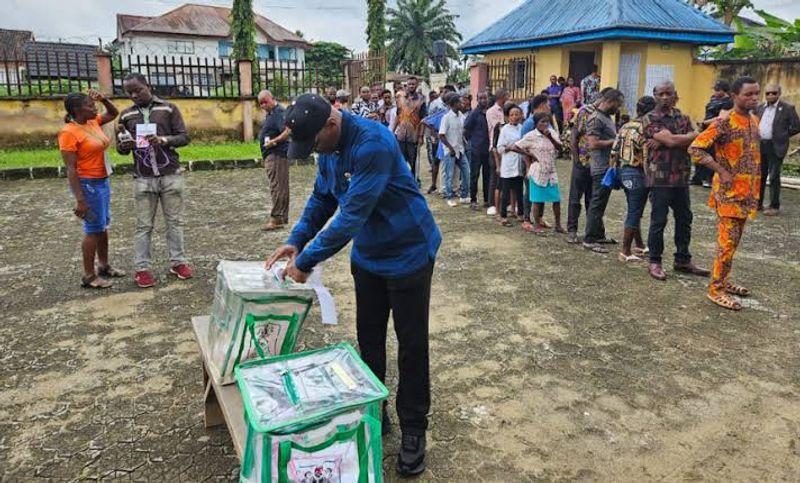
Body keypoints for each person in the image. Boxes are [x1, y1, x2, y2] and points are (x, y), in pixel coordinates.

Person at [265, 93, 441, 476]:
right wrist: (296, 240)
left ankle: (414, 427)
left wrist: (306, 262)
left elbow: (350, 218)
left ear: (332, 123)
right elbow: (322, 198)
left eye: (313, 144)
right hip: (370, 259)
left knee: (412, 344)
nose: (313, 152)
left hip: (409, 251)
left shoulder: (373, 143)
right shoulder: (327, 146)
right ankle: (372, 408)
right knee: (369, 339)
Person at [689, 77, 762, 311]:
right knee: (726, 243)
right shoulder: (724, 122)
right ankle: (715, 288)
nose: (753, 98)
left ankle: (724, 280)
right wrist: (721, 170)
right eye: (748, 94)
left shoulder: (753, 120)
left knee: (734, 242)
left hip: (748, 194)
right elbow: (696, 149)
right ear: (734, 95)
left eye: (755, 94)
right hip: (729, 194)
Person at [117, 73, 193, 288]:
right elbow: (120, 148)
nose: (134, 95)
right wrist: (124, 146)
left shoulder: (168, 108)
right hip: (143, 176)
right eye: (129, 93)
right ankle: (142, 268)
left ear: (147, 86)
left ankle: (178, 262)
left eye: (137, 90)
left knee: (174, 222)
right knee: (143, 225)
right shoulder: (125, 116)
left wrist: (163, 140)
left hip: (170, 173)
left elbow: (184, 137)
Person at [641, 81, 709, 281]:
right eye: (660, 94)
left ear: (675, 95)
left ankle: (682, 259)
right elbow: (673, 140)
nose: (664, 97)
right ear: (654, 95)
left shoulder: (683, 117)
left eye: (668, 93)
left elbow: (698, 140)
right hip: (660, 178)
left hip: (681, 176)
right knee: (658, 221)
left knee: (685, 219)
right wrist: (684, 137)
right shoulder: (649, 118)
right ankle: (654, 261)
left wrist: (671, 139)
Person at [58, 90, 123, 289]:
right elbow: (71, 169)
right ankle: (88, 275)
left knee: (102, 226)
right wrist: (80, 199)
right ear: (77, 110)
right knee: (93, 230)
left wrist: (103, 99)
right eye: (89, 104)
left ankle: (104, 265)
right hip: (88, 185)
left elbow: (113, 113)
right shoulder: (69, 133)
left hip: (102, 180)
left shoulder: (92, 121)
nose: (94, 107)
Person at [611, 96, 655, 262]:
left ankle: (639, 245)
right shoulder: (647, 127)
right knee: (635, 211)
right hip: (638, 172)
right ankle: (625, 251)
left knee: (633, 208)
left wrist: (614, 168)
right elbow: (646, 155)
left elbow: (614, 150)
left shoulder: (625, 125)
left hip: (624, 171)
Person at [565, 88, 610, 244]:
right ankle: (572, 230)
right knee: (575, 198)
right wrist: (576, 158)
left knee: (593, 199)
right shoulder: (585, 111)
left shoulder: (607, 115)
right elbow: (574, 135)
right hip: (583, 161)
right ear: (604, 99)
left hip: (598, 165)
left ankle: (596, 232)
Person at [582, 89, 624, 253]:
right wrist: (615, 141)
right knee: (597, 203)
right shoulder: (596, 119)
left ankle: (599, 234)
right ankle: (590, 239)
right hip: (600, 167)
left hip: (607, 167)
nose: (619, 108)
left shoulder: (606, 118)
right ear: (610, 101)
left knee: (601, 202)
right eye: (618, 104)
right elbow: (592, 144)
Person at [516, 112, 564, 234]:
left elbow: (561, 148)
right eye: (542, 122)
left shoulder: (552, 133)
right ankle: (537, 225)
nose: (545, 124)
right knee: (537, 200)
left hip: (551, 171)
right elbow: (516, 147)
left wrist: (551, 137)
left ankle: (558, 225)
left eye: (547, 122)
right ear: (536, 123)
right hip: (537, 171)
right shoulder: (531, 136)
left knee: (556, 199)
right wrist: (530, 155)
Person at [756, 84, 800, 215]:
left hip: (776, 146)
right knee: (760, 175)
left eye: (774, 93)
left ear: (779, 93)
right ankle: (758, 204)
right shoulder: (760, 108)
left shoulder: (787, 108)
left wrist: (783, 135)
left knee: (774, 175)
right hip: (761, 145)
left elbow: (796, 126)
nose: (770, 95)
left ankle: (774, 206)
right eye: (768, 93)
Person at [257, 89, 291, 231]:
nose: (263, 105)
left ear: (272, 98)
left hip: (277, 154)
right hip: (272, 155)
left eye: (265, 101)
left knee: (277, 187)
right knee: (277, 186)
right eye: (260, 103)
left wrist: (274, 142)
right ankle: (280, 218)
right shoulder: (271, 113)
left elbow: (287, 131)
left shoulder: (279, 112)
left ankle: (276, 218)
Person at [692, 80, 734, 187]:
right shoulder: (713, 99)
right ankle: (698, 178)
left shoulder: (728, 102)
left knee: (712, 154)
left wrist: (705, 122)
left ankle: (709, 179)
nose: (715, 92)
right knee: (699, 151)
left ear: (723, 90)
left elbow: (721, 118)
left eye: (717, 89)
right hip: (706, 128)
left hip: (717, 129)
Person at [439, 93, 470, 207]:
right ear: (453, 104)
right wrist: (450, 148)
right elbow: (441, 135)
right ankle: (449, 197)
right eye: (459, 102)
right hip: (450, 151)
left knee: (467, 173)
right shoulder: (446, 118)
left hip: (460, 150)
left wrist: (465, 142)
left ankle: (464, 195)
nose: (462, 104)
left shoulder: (461, 116)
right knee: (449, 174)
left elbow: (463, 130)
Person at [496, 104, 525, 226]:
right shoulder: (505, 130)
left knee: (519, 190)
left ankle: (521, 214)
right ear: (508, 117)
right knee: (506, 191)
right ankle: (503, 216)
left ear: (521, 115)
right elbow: (499, 148)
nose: (514, 117)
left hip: (518, 164)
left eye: (517, 114)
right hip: (508, 164)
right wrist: (509, 148)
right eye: (512, 115)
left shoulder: (522, 128)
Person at [394, 76, 427, 184]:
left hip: (414, 136)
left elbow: (423, 120)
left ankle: (413, 182)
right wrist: (392, 131)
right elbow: (397, 116)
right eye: (409, 84)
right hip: (401, 135)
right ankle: (401, 181)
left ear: (416, 85)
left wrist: (421, 136)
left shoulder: (421, 99)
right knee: (400, 161)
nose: (411, 86)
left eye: (413, 84)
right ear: (406, 85)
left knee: (413, 162)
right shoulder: (400, 98)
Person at [464, 91, 492, 211]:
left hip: (489, 150)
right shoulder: (474, 114)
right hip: (476, 150)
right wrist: (473, 142)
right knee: (474, 175)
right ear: (477, 99)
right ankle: (473, 200)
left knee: (488, 176)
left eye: (485, 98)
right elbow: (466, 130)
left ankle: (487, 200)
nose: (483, 100)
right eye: (480, 98)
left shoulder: (491, 112)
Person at [486, 89, 509, 215]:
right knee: (494, 176)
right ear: (502, 97)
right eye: (507, 95)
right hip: (494, 147)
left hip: (505, 148)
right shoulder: (492, 111)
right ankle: (492, 204)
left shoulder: (506, 110)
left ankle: (506, 203)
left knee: (506, 177)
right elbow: (498, 127)